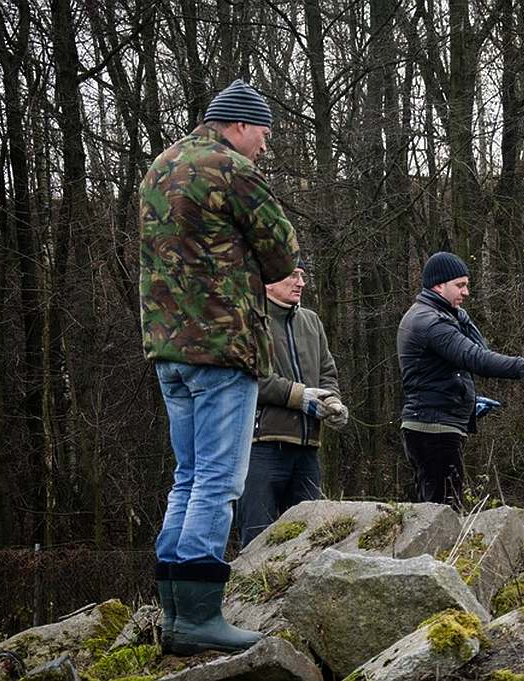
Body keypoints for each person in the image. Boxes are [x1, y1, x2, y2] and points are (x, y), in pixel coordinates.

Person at [139, 79, 300, 655]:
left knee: (187, 476)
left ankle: (175, 613)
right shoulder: (232, 168)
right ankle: (200, 616)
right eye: (263, 133)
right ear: (239, 125)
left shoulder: (160, 167)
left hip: (168, 349)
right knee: (218, 480)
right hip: (222, 347)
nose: (265, 145)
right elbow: (282, 253)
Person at [397, 252, 524, 509]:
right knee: (444, 514)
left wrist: (460, 315)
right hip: (433, 430)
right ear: (438, 286)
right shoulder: (431, 322)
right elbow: (477, 358)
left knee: (443, 509)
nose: (466, 292)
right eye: (460, 285)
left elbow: (475, 350)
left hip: (437, 426)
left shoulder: (442, 315)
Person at [236, 259, 348, 548]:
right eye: (293, 275)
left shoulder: (312, 321)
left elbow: (327, 372)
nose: (301, 283)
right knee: (257, 540)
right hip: (261, 448)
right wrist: (300, 397)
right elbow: (251, 379)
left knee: (311, 542)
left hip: (308, 450)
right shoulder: (248, 320)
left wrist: (332, 401)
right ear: (268, 279)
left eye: (302, 275)